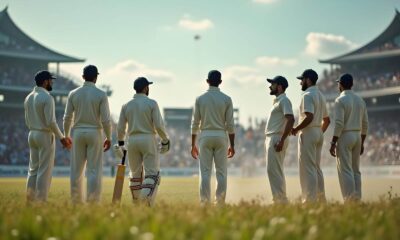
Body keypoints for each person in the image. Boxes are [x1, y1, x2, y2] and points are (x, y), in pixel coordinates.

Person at [116, 77, 170, 206]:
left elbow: (120, 127)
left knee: (135, 175)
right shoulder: (151, 103)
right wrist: (165, 140)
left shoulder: (126, 105)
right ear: (146, 88)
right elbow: (158, 125)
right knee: (152, 174)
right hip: (148, 138)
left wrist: (121, 144)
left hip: (132, 140)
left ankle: (136, 202)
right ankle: (145, 202)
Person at [63, 65, 112, 203]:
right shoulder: (101, 94)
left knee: (76, 171)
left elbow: (67, 117)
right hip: (95, 132)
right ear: (96, 77)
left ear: (83, 77)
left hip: (78, 132)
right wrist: (109, 137)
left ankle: (76, 202)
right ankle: (93, 202)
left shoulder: (73, 93)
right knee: (94, 170)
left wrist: (66, 135)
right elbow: (106, 120)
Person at [24, 70, 71, 202]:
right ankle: (41, 201)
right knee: (44, 171)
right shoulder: (47, 97)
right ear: (45, 82)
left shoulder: (28, 97)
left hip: (32, 134)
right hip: (44, 135)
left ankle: (30, 200)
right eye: (50, 80)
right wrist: (62, 138)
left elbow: (27, 119)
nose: (52, 82)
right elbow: (51, 122)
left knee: (33, 170)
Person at [191, 70, 235, 206]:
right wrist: (232, 145)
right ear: (220, 82)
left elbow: (195, 123)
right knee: (221, 173)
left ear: (207, 81)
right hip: (221, 135)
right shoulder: (227, 99)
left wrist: (192, 144)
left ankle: (204, 203)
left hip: (205, 135)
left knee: (205, 172)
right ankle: (219, 203)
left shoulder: (200, 98)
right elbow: (230, 125)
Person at [291, 69, 330, 203]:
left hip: (308, 132)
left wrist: (296, 128)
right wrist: (318, 133)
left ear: (308, 80)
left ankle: (310, 200)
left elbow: (309, 116)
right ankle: (321, 198)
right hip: (318, 131)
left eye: (301, 80)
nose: (300, 82)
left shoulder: (307, 95)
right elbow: (327, 120)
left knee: (308, 168)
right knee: (316, 168)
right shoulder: (321, 95)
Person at [329, 73, 368, 202]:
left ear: (340, 84)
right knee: (356, 170)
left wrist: (333, 142)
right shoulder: (360, 100)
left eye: (338, 83)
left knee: (345, 170)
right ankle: (357, 199)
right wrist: (362, 142)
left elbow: (339, 123)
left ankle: (350, 200)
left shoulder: (340, 100)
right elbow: (365, 123)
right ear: (351, 84)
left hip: (345, 135)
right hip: (357, 135)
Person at [265, 76, 294, 203]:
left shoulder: (284, 100)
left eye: (273, 84)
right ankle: (281, 200)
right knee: (275, 170)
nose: (270, 86)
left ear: (280, 86)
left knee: (274, 170)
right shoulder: (278, 100)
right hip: (275, 137)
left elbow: (291, 119)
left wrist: (282, 139)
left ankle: (280, 201)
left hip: (277, 137)